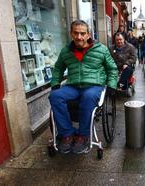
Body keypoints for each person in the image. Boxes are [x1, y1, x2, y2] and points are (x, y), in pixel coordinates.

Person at [49, 20, 118, 154]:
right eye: (76, 33)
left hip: (94, 85)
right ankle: (67, 134)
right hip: (73, 86)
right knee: (55, 96)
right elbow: (57, 69)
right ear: (71, 34)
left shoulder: (101, 49)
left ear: (88, 34)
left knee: (88, 96)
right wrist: (55, 84)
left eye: (82, 33)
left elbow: (112, 69)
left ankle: (83, 136)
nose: (79, 37)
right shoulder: (66, 51)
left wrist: (111, 85)